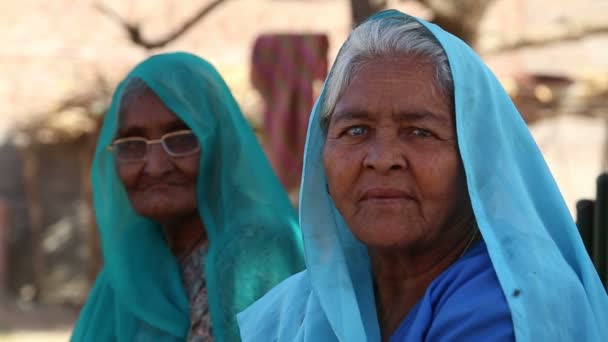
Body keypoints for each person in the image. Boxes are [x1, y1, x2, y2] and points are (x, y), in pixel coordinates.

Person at [237, 10, 608, 341]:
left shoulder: (510, 308)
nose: (382, 159)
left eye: (419, 132)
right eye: (355, 130)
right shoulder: (307, 306)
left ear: (474, 161)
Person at [71, 52, 304, 341]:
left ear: (219, 145)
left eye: (181, 138)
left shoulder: (255, 245)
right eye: (132, 143)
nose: (155, 166)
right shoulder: (137, 259)